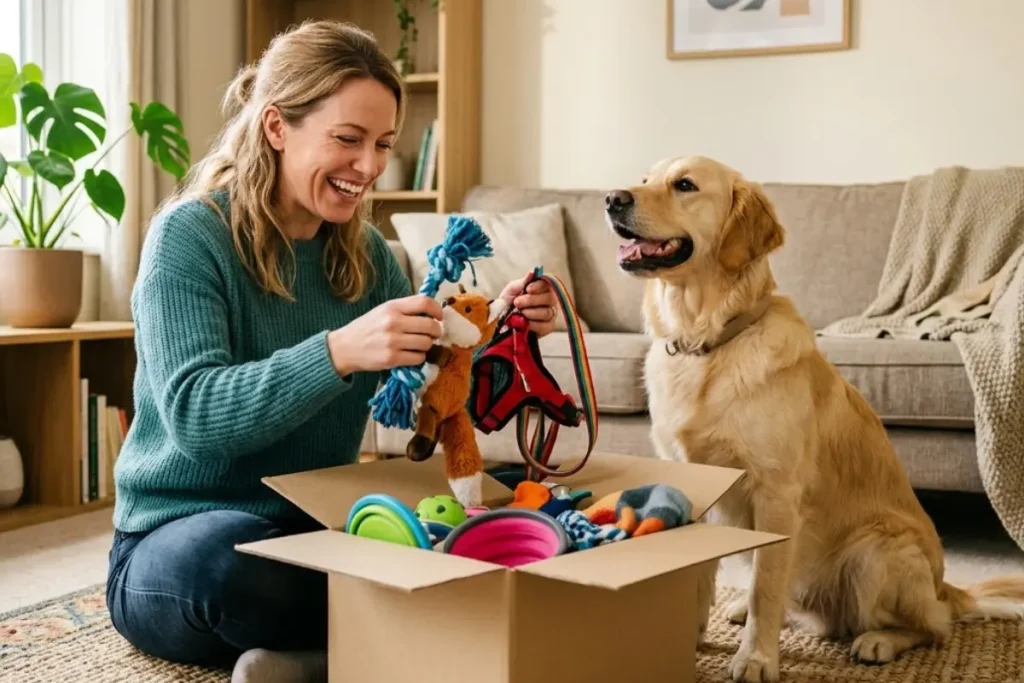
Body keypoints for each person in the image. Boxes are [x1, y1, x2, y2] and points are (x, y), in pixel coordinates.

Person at [104, 19, 559, 683]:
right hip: (175, 537)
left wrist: (503, 333)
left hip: (315, 529)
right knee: (227, 565)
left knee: (464, 540)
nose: (370, 167)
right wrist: (338, 351)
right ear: (276, 127)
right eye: (348, 139)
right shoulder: (189, 238)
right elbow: (195, 419)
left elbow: (432, 403)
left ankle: (315, 662)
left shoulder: (367, 255)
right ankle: (387, 646)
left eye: (382, 144)